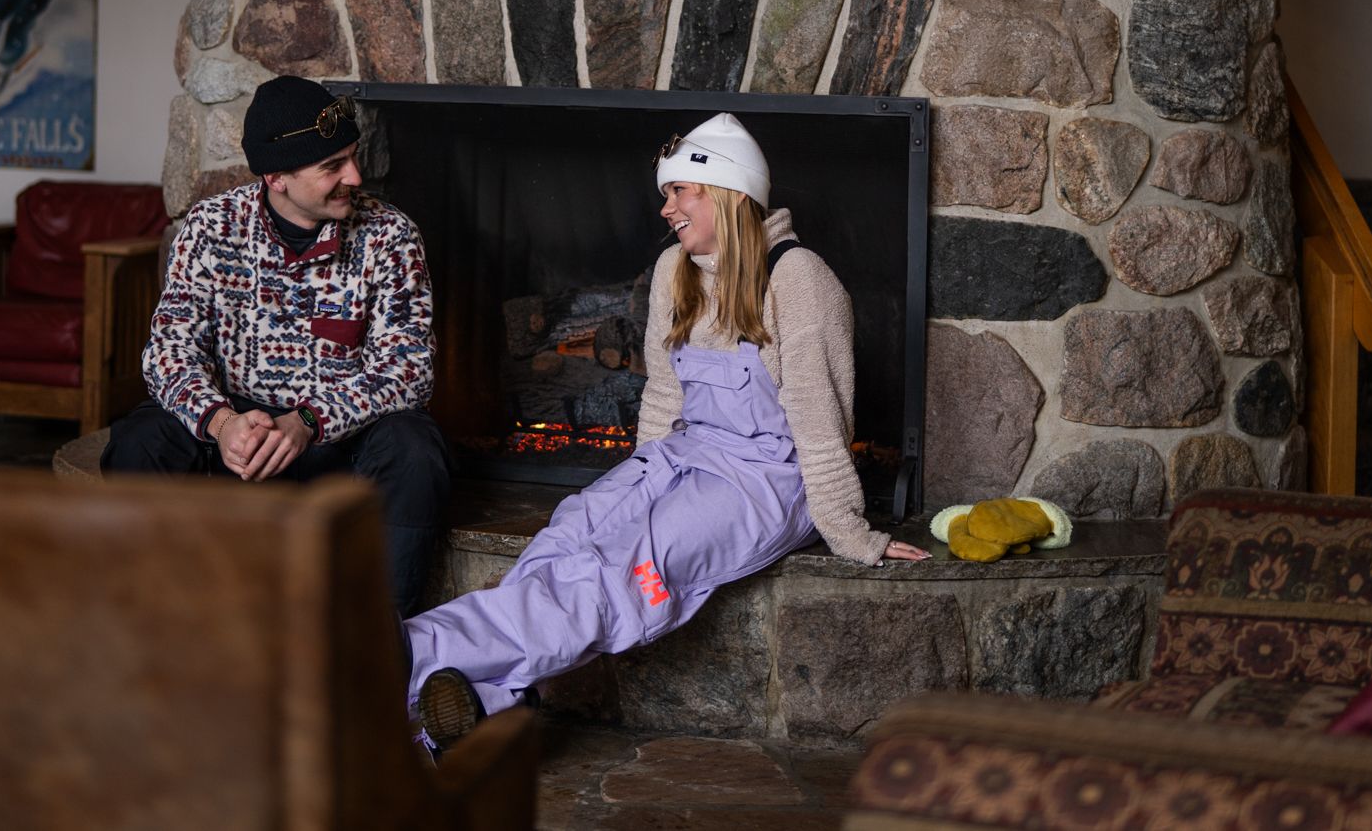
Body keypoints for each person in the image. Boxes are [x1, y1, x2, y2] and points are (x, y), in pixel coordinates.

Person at [402, 112, 927, 749]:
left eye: (679, 191)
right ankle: (487, 708)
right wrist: (637, 489)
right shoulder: (674, 270)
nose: (666, 209)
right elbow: (663, 395)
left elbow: (820, 422)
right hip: (683, 457)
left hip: (766, 481)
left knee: (611, 578)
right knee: (569, 533)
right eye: (666, 195)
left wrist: (850, 531)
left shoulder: (798, 278)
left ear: (727, 192)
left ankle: (401, 657)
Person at [103, 76, 451, 612]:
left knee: (415, 451)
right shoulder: (210, 228)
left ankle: (382, 649)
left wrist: (307, 422)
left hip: (341, 437)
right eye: (332, 167)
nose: (355, 176)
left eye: (352, 157)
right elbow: (168, 351)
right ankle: (153, 630)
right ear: (276, 177)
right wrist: (221, 425)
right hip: (235, 431)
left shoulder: (390, 236)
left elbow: (411, 369)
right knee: (139, 442)